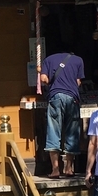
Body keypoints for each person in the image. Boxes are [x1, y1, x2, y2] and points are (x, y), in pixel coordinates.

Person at [39, 50, 85, 178]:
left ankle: (55, 169)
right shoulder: (78, 60)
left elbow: (44, 79)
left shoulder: (48, 60)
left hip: (56, 96)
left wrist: (43, 76)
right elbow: (78, 82)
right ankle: (69, 168)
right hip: (72, 98)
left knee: (53, 130)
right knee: (72, 131)